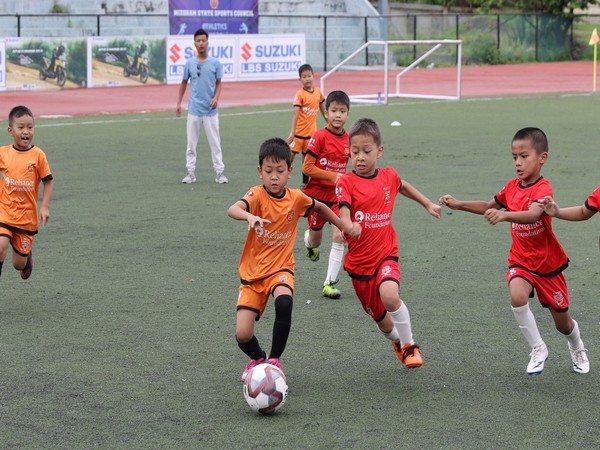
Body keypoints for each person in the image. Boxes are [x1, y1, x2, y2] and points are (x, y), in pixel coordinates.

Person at [439, 127, 589, 375]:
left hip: (548, 265)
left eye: (524, 156)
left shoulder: (543, 188)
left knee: (563, 324)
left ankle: (577, 345)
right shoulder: (510, 187)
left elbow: (533, 214)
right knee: (517, 296)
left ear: (542, 158)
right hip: (520, 260)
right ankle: (538, 348)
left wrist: (505, 214)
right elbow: (488, 205)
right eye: (514, 157)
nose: (518, 162)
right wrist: (459, 204)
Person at [228, 137, 360, 382]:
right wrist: (248, 216)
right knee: (243, 335)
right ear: (260, 172)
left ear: (290, 171)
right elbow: (232, 209)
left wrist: (343, 225)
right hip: (252, 274)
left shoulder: (296, 198)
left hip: (281, 268)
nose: (274, 177)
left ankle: (275, 362)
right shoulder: (256, 195)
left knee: (284, 303)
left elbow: (319, 207)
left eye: (280, 171)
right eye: (268, 171)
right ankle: (258, 359)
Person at [336, 118, 441, 368]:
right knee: (383, 322)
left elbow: (402, 186)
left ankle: (409, 345)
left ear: (379, 151)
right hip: (359, 266)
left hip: (386, 253)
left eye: (366, 151)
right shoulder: (346, 182)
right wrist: (348, 226)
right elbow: (343, 211)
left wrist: (427, 203)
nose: (360, 157)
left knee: (390, 295)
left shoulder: (388, 176)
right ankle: (397, 341)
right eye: (355, 152)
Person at [302, 90, 351, 299]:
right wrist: (333, 176)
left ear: (348, 114)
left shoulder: (350, 140)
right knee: (316, 241)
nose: (338, 115)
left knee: (341, 234)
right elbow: (306, 167)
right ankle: (308, 242)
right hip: (316, 198)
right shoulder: (320, 136)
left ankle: (329, 283)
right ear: (326, 113)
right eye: (334, 111)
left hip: (337, 197)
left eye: (342, 111)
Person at [0, 106, 53, 281]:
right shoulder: (4, 153)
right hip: (5, 211)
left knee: (18, 264)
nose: (26, 132)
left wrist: (44, 207)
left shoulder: (38, 155)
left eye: (30, 127)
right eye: (20, 127)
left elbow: (48, 181)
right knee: (0, 247)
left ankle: (27, 258)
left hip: (26, 218)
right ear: (10, 131)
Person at [176, 28, 227, 185]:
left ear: (208, 42)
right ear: (195, 43)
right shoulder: (189, 63)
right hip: (194, 110)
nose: (201, 43)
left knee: (215, 144)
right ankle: (190, 173)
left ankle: (219, 173)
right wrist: (178, 102)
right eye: (198, 41)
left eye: (203, 40)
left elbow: (219, 84)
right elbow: (184, 83)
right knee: (191, 144)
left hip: (210, 111)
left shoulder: (215, 63)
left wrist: (216, 98)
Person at [286, 63, 326, 186]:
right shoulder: (300, 94)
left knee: (307, 160)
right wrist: (292, 132)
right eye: (304, 77)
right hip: (298, 134)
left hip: (311, 135)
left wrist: (330, 124)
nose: (307, 78)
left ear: (313, 76)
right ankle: (284, 178)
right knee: (290, 156)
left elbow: (324, 111)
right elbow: (295, 114)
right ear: (300, 80)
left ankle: (305, 184)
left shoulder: (318, 93)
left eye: (309, 76)